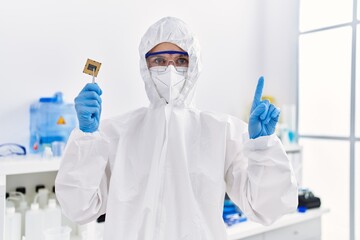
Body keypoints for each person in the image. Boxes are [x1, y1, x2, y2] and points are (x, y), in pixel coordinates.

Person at [55, 16, 298, 240]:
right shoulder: (117, 132)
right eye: (159, 61)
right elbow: (78, 207)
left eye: (181, 60)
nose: (170, 70)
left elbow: (267, 208)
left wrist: (263, 145)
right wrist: (86, 139)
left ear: (194, 66)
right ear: (144, 66)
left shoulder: (221, 131)